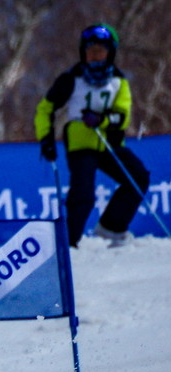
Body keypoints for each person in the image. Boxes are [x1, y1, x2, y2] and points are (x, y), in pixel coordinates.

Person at [35, 23, 150, 247]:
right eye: (90, 51)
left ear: (110, 53)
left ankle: (112, 228)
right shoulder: (71, 78)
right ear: (83, 53)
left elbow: (122, 116)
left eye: (101, 51)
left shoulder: (119, 81)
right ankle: (68, 243)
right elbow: (45, 109)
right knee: (83, 193)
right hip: (81, 144)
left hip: (110, 143)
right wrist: (46, 138)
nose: (95, 56)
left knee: (138, 178)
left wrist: (102, 120)